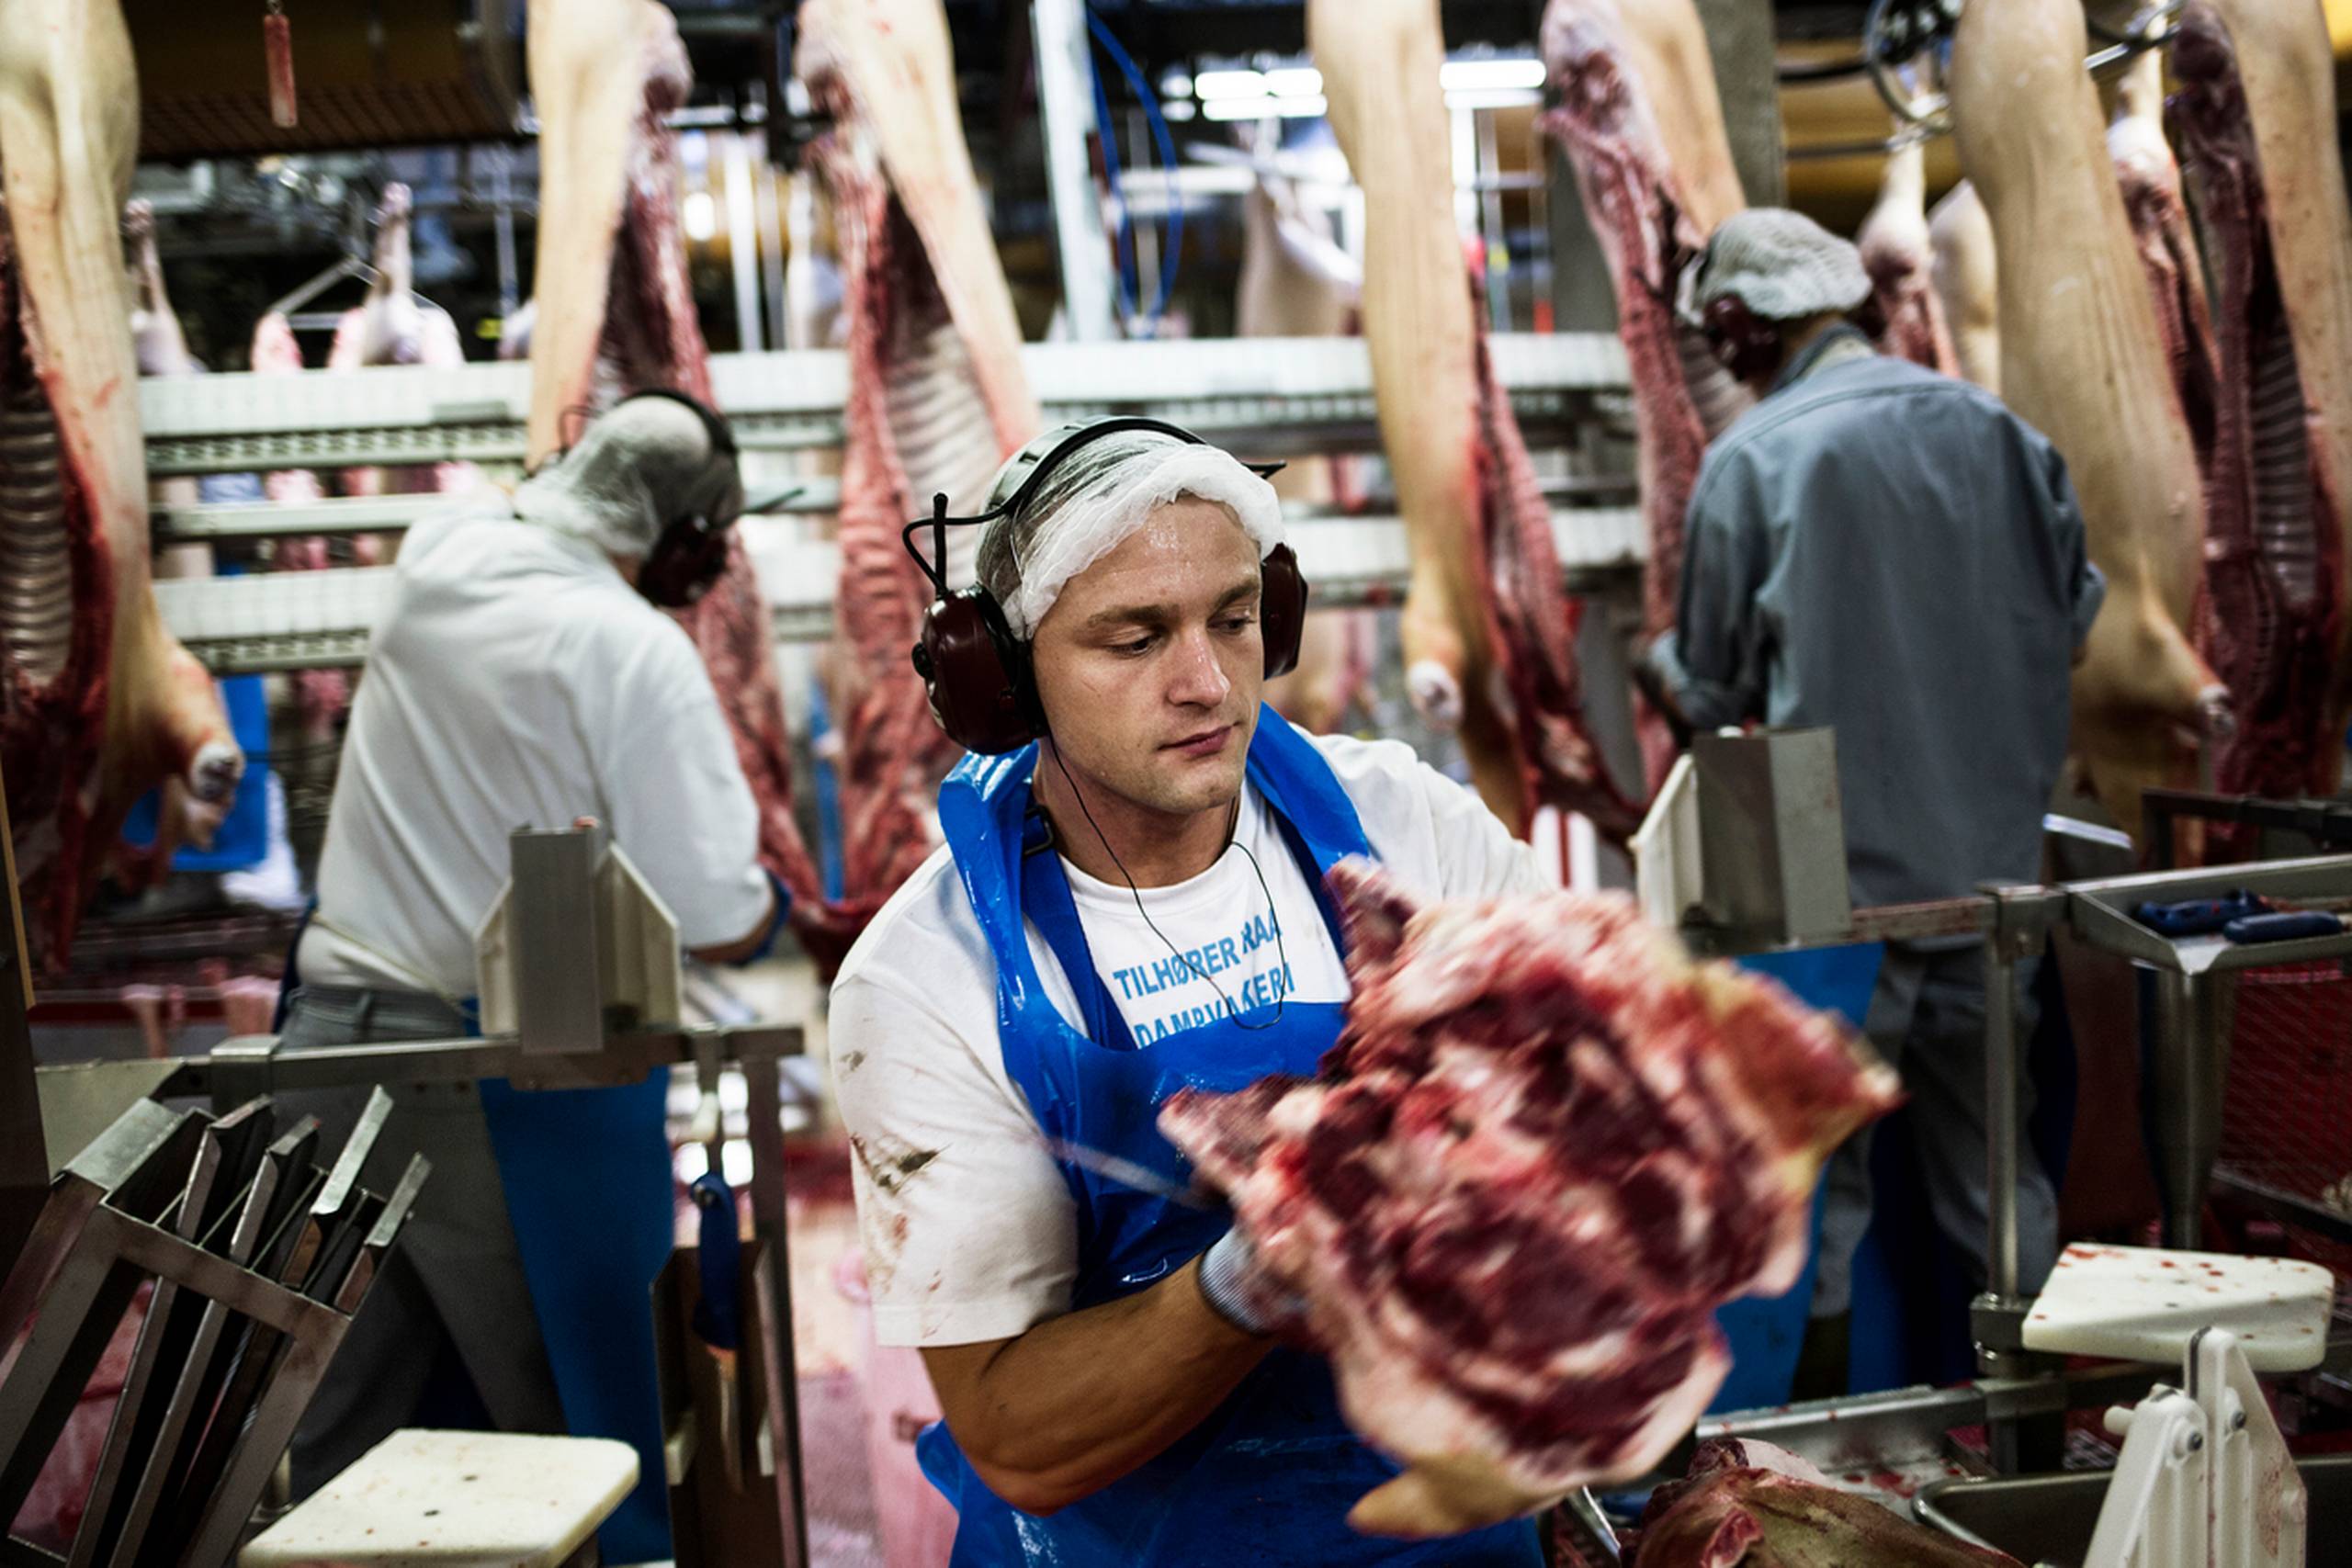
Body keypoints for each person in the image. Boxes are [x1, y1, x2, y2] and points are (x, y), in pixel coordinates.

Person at [829, 419, 1551, 1564]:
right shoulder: (928, 979)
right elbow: (1016, 1438)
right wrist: (1251, 1276)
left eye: (1231, 618)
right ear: (1005, 681)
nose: (1207, 683)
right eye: (1133, 639)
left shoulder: (1407, 827)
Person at [277, 390, 785, 1547]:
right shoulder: (630, 647)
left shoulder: (436, 553)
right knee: (574, 1455)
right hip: (507, 1087)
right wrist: (774, 913)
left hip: (326, 1050)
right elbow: (712, 907)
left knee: (350, 1456)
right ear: (688, 544)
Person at [1645, 209, 2107, 1397]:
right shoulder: (1997, 428)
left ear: (1745, 325)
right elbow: (2080, 614)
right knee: (1998, 1183)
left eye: (1724, 334)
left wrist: (1659, 661)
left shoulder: (1755, 460)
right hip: (1998, 890)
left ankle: (1833, 1463)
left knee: (1826, 1206)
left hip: (1834, 908)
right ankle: (2039, 1437)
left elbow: (1714, 689)